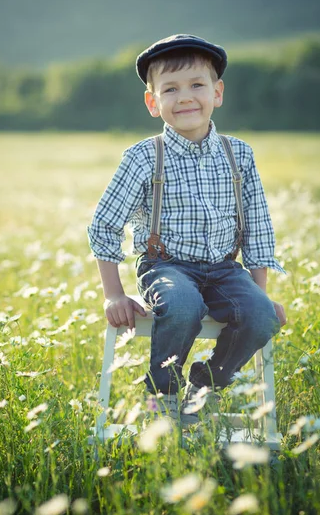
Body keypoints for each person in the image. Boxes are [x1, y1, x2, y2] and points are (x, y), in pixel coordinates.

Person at [87, 34, 286, 426]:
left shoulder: (239, 154)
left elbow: (259, 228)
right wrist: (114, 294)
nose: (185, 97)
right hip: (167, 267)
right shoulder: (144, 156)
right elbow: (104, 224)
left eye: (197, 85)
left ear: (218, 92)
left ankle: (204, 385)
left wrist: (260, 297)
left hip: (226, 270)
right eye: (170, 89)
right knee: (182, 306)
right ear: (152, 102)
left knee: (262, 318)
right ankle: (164, 395)